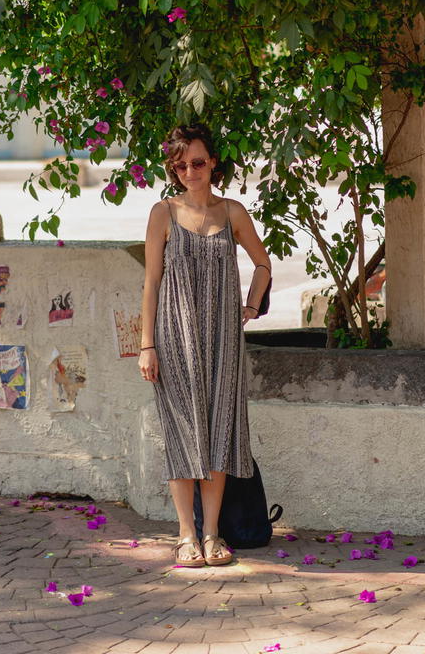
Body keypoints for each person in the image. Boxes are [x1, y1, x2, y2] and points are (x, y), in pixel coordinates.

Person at [139, 122, 272, 568]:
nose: (190, 172)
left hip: (224, 343)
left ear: (213, 161)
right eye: (180, 166)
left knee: (218, 435)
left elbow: (263, 264)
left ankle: (212, 534)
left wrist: (251, 308)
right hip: (174, 342)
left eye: (198, 162)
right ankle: (185, 535)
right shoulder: (163, 213)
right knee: (183, 435)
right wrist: (146, 345)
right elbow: (151, 281)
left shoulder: (232, 212)